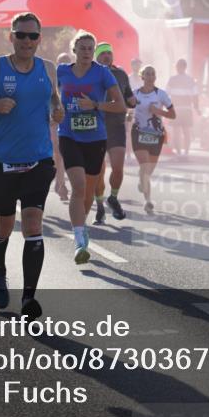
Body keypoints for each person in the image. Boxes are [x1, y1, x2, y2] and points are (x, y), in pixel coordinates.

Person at [0, 12, 64, 318]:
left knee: (33, 224)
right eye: (21, 35)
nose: (27, 41)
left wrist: (57, 111)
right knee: (4, 226)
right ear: (11, 36)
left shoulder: (48, 68)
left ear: (39, 39)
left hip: (39, 161)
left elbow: (54, 100)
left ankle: (29, 299)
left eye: (33, 36)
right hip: (3, 162)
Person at [57, 31, 126, 263]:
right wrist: (54, 108)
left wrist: (95, 104)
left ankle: (81, 226)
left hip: (95, 138)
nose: (86, 52)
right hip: (69, 135)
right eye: (82, 48)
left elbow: (121, 106)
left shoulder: (102, 73)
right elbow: (48, 94)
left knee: (87, 190)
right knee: (77, 186)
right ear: (74, 50)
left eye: (90, 48)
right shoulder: (62, 71)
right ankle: (79, 240)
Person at [93, 42, 137, 223]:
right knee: (99, 171)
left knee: (118, 167)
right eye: (103, 54)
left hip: (117, 126)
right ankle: (100, 206)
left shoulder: (120, 74)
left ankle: (113, 197)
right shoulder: (91, 73)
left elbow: (128, 97)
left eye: (109, 53)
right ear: (97, 57)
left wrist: (132, 101)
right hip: (96, 126)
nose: (107, 56)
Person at [131, 65, 175, 214]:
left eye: (152, 74)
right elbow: (127, 110)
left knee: (148, 171)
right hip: (138, 133)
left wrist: (158, 111)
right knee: (144, 166)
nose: (150, 77)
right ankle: (148, 201)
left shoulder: (161, 94)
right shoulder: (135, 94)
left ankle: (142, 181)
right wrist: (128, 116)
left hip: (156, 135)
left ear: (155, 77)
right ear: (142, 76)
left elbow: (173, 114)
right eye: (147, 74)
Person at [166, 59, 200, 158]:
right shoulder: (190, 80)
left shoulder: (173, 79)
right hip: (183, 109)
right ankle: (184, 153)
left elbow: (166, 94)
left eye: (179, 66)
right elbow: (195, 95)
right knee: (185, 131)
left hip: (179, 109)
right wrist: (197, 108)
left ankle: (181, 153)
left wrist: (167, 107)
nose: (178, 68)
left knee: (180, 132)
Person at [52, 52, 74, 201]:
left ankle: (60, 181)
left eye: (66, 61)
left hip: (71, 121)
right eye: (61, 62)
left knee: (65, 155)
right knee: (58, 155)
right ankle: (61, 184)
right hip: (55, 119)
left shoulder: (76, 78)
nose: (63, 64)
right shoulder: (52, 78)